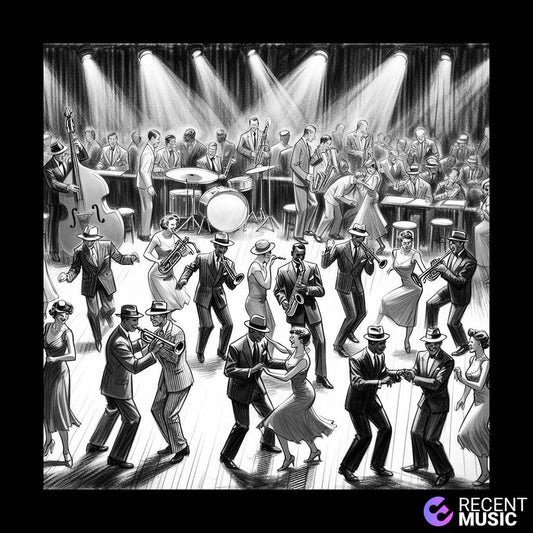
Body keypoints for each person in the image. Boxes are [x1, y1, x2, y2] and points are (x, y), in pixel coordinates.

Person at [86, 305, 158, 469]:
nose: (137, 324)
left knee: (112, 411)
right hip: (118, 388)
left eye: (137, 320)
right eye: (133, 320)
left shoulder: (121, 333)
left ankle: (95, 444)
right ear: (124, 320)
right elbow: (134, 366)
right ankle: (117, 457)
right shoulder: (119, 341)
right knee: (133, 419)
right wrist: (152, 353)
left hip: (110, 385)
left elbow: (128, 348)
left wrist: (143, 343)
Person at [260, 327, 336, 471]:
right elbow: (282, 348)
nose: (290, 339)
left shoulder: (303, 360)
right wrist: (268, 339)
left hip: (304, 395)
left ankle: (288, 457)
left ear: (301, 341)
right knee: (301, 422)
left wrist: (267, 371)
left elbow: (286, 377)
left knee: (275, 419)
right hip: (299, 392)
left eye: (293, 338)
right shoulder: (296, 351)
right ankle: (314, 451)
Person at [219, 315, 287, 469]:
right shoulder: (236, 347)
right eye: (260, 333)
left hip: (256, 388)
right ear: (251, 330)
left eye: (263, 333)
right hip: (240, 391)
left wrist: (286, 365)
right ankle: (226, 456)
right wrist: (250, 371)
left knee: (271, 415)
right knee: (242, 426)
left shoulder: (262, 342)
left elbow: (268, 362)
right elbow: (228, 370)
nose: (262, 336)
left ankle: (267, 443)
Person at [58, 225, 140, 352]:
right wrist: (67, 276)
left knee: (111, 308)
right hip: (89, 284)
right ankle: (98, 339)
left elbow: (120, 258)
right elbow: (75, 268)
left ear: (96, 239)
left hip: (105, 282)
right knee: (93, 314)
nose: (88, 242)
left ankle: (105, 314)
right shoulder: (79, 251)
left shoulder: (107, 246)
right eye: (86, 240)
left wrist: (132, 258)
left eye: (91, 240)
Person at [338, 325, 403, 483]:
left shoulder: (380, 356)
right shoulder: (356, 359)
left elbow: (383, 372)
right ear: (372, 343)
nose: (384, 346)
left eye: (384, 343)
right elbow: (357, 382)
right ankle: (346, 468)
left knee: (386, 428)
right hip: (357, 403)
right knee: (365, 436)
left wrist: (396, 374)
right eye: (381, 343)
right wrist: (380, 382)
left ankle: (377, 464)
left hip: (371, 400)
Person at [401, 327, 455, 487]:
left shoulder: (448, 360)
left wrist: (415, 378)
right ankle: (420, 462)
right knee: (415, 432)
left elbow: (437, 383)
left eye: (436, 344)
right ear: (425, 344)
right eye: (430, 344)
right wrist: (410, 373)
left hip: (439, 404)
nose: (432, 347)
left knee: (430, 439)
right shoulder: (421, 355)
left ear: (440, 343)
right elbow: (416, 371)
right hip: (425, 400)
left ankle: (445, 471)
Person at [274, 243, 333, 389]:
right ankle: (298, 376)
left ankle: (321, 375)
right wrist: (284, 301)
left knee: (321, 341)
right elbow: (278, 290)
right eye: (297, 255)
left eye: (302, 255)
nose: (300, 258)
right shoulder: (282, 271)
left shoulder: (312, 267)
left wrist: (307, 289)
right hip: (295, 311)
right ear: (291, 253)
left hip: (311, 310)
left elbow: (321, 290)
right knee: (299, 347)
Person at [176, 232, 238, 363]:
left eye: (225, 247)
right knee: (207, 325)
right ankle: (200, 351)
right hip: (203, 295)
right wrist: (183, 279)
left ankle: (221, 351)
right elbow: (190, 268)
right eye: (220, 247)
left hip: (219, 296)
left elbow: (231, 286)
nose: (223, 250)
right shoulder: (202, 258)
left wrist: (229, 276)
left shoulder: (229, 264)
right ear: (215, 245)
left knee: (229, 324)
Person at [146, 301, 194, 465]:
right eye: (151, 316)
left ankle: (181, 448)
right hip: (166, 378)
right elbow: (150, 352)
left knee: (169, 414)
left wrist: (158, 348)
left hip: (179, 379)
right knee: (156, 409)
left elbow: (174, 358)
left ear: (164, 316)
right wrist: (150, 345)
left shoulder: (177, 333)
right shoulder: (157, 332)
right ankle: (174, 443)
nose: (151, 319)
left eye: (155, 316)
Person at [322, 222, 375, 356]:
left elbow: (369, 272)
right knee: (351, 316)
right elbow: (325, 265)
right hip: (344, 285)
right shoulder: (340, 248)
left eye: (363, 237)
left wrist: (370, 260)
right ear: (353, 236)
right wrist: (327, 250)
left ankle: (350, 331)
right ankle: (338, 344)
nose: (361, 240)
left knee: (362, 313)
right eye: (359, 237)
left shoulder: (364, 251)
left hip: (357, 285)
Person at [425, 230, 477, 357]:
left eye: (454, 243)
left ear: (461, 243)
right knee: (431, 304)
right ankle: (432, 332)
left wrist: (444, 270)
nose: (451, 245)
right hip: (450, 289)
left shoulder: (470, 261)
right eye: (450, 242)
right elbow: (449, 272)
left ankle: (463, 345)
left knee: (452, 323)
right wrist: (439, 268)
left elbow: (460, 282)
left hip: (460, 295)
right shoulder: (452, 254)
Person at [375, 230, 427, 353]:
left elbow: (423, 268)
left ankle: (407, 341)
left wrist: (426, 275)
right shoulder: (395, 253)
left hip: (414, 288)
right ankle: (375, 325)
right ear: (400, 243)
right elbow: (395, 264)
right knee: (384, 300)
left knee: (410, 315)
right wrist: (390, 268)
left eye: (409, 243)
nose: (407, 245)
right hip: (405, 286)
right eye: (405, 243)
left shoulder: (415, 255)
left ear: (412, 242)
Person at [43, 300, 80, 469]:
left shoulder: (67, 332)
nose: (64, 316)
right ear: (55, 314)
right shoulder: (46, 327)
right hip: (47, 371)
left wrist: (56, 358)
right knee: (46, 407)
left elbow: (72, 355)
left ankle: (66, 451)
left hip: (60, 373)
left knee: (60, 411)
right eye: (61, 313)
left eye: (66, 314)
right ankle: (48, 440)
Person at [454, 328, 490, 486]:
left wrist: (461, 379)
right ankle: (485, 472)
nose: (469, 344)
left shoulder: (486, 362)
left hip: (486, 401)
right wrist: (463, 398)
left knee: (469, 432)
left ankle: (484, 473)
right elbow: (470, 384)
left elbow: (480, 385)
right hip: (477, 401)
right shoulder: (471, 359)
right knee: (470, 434)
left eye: (471, 342)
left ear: (480, 344)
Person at [43, 139, 87, 262]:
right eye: (60, 154)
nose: (63, 155)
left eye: (63, 152)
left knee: (69, 222)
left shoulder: (67, 159)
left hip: (68, 199)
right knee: (54, 225)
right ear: (54, 155)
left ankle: (73, 246)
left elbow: (83, 158)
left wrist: (80, 147)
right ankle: (54, 251)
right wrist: (67, 187)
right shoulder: (47, 168)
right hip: (55, 199)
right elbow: (53, 184)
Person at [143, 214, 191, 310]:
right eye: (172, 224)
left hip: (169, 270)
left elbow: (181, 254)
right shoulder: (157, 237)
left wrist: (185, 252)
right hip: (157, 272)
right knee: (165, 298)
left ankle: (168, 316)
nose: (174, 227)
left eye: (175, 224)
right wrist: (157, 261)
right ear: (165, 224)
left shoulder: (175, 237)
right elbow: (146, 253)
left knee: (173, 296)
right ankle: (165, 315)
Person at [314, 160, 360, 242]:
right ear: (355, 178)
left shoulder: (352, 180)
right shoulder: (344, 183)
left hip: (336, 199)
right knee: (329, 217)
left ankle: (333, 234)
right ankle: (317, 234)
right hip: (330, 198)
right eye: (359, 181)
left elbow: (344, 193)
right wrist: (349, 202)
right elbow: (337, 196)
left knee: (339, 217)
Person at [245, 239, 280, 337]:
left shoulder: (261, 265)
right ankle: (260, 347)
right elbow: (266, 285)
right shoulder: (255, 267)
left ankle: (267, 347)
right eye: (269, 252)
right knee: (261, 330)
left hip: (262, 301)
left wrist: (268, 265)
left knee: (271, 326)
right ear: (264, 254)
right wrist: (269, 267)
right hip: (254, 302)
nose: (270, 254)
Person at [290, 125, 318, 244]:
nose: (314, 137)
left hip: (306, 182)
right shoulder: (299, 145)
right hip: (300, 182)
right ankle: (298, 234)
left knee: (314, 204)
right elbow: (293, 164)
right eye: (313, 135)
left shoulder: (307, 145)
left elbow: (308, 162)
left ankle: (305, 228)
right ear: (308, 133)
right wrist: (306, 175)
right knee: (302, 209)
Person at [352, 158, 387, 254]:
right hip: (370, 197)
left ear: (374, 167)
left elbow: (372, 187)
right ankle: (376, 244)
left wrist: (361, 182)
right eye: (367, 169)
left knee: (362, 220)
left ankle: (363, 244)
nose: (368, 170)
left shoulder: (375, 176)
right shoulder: (372, 174)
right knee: (371, 221)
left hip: (370, 198)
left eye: (369, 168)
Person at [136, 129, 161, 241]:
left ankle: (143, 233)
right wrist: (150, 186)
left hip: (142, 183)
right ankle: (145, 234)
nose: (159, 141)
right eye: (158, 139)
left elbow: (147, 168)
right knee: (148, 208)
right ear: (152, 139)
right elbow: (143, 170)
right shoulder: (148, 151)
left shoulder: (150, 149)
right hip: (144, 184)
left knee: (146, 208)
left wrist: (154, 169)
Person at [474, 179, 490, 284]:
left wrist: (483, 212)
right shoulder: (486, 199)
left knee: (479, 231)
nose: (488, 191)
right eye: (486, 189)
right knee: (477, 230)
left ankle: (485, 261)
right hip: (484, 225)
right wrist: (481, 212)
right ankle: (483, 260)